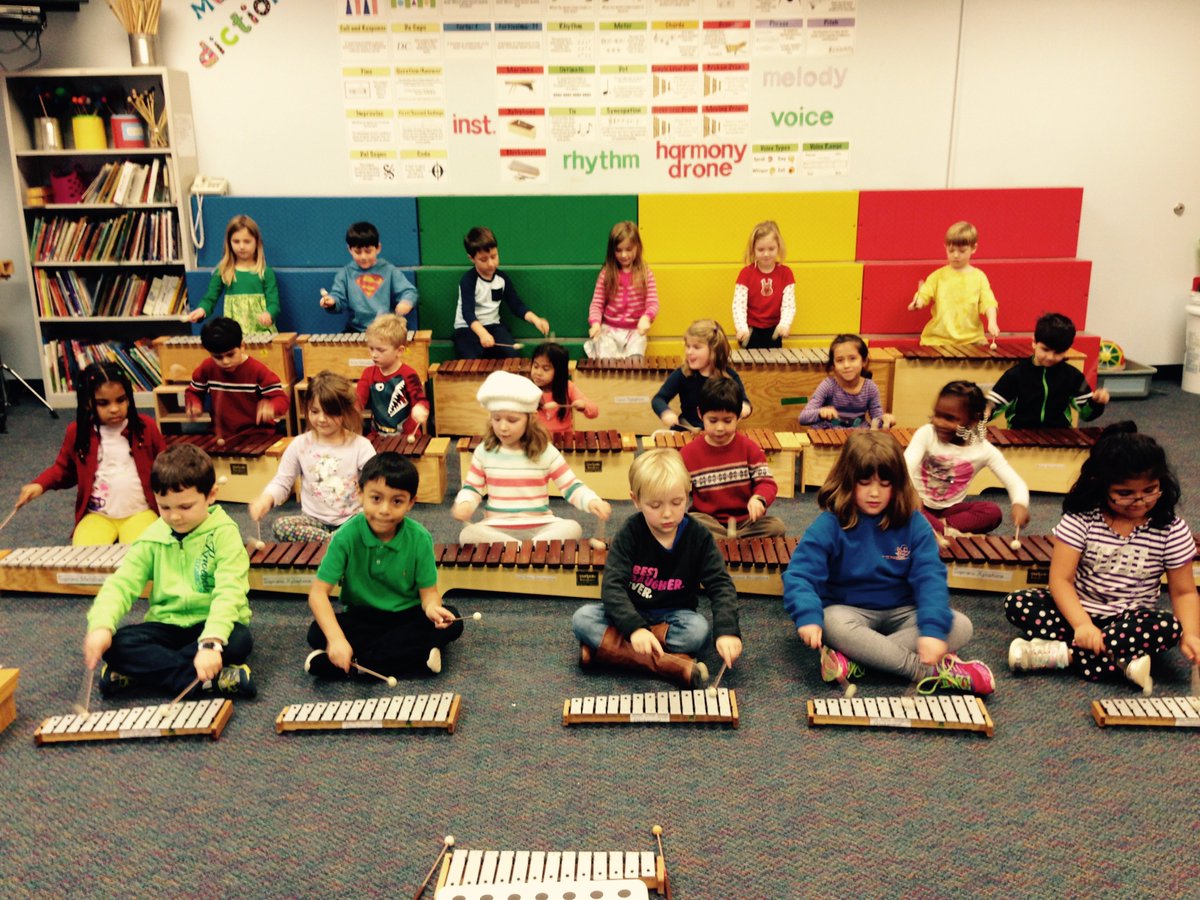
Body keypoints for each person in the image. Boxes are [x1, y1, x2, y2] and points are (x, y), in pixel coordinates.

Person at [783, 431, 994, 694]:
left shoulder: (914, 524)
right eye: (864, 483)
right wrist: (807, 616)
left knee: (959, 625)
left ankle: (859, 659)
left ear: (898, 484)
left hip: (904, 612)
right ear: (848, 481)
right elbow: (800, 575)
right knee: (829, 622)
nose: (875, 493)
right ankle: (926, 671)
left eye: (885, 484)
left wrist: (932, 630)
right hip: (849, 612)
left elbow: (930, 579)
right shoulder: (830, 524)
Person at [1004, 423, 1199, 693]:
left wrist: (1191, 634)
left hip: (1129, 620)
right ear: (1100, 485)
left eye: (1150, 490)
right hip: (1076, 612)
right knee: (1019, 602)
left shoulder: (1171, 529)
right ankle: (1120, 661)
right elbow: (1060, 580)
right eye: (1125, 493)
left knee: (1168, 627)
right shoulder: (1082, 519)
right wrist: (1083, 625)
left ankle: (1063, 655)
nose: (1140, 501)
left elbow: (1184, 592)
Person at [81, 443, 256, 699]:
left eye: (185, 507)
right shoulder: (152, 537)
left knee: (240, 639)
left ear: (211, 495)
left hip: (209, 624)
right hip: (165, 625)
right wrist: (101, 626)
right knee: (117, 644)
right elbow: (122, 584)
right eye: (165, 507)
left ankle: (143, 676)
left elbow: (230, 592)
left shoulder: (225, 535)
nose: (174, 517)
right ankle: (206, 681)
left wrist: (210, 642)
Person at [572, 448, 742, 688]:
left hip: (674, 617)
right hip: (631, 610)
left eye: (677, 502)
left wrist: (727, 631)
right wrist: (635, 629)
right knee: (582, 618)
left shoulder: (698, 536)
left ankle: (608, 653)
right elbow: (612, 587)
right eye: (654, 505)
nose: (667, 514)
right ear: (636, 500)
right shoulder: (630, 533)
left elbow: (721, 585)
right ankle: (672, 665)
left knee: (698, 632)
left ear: (688, 494)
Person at [305, 452, 464, 679]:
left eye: (397, 501)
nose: (384, 510)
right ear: (360, 494)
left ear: (411, 503)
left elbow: (429, 594)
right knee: (317, 632)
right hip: (362, 617)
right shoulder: (345, 537)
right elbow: (318, 594)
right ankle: (409, 660)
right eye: (376, 498)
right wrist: (336, 639)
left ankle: (356, 664)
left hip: (406, 616)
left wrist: (432, 610)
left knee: (453, 621)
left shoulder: (420, 538)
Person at [452, 370, 611, 543]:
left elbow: (571, 486)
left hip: (542, 525)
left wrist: (592, 501)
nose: (503, 427)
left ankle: (515, 548)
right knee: (467, 534)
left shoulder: (545, 451)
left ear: (531, 418)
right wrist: (465, 504)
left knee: (572, 527)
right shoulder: (484, 451)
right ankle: (526, 548)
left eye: (512, 420)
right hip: (496, 526)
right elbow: (472, 488)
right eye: (496, 419)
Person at [16, 361, 164, 546]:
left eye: (121, 400)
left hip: (141, 511)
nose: (114, 408)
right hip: (97, 515)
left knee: (142, 555)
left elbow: (165, 466)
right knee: (83, 558)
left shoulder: (145, 427)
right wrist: (40, 484)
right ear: (87, 403)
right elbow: (63, 469)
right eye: (103, 403)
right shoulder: (78, 432)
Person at [249, 371, 375, 543]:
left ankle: (333, 542)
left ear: (345, 412)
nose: (321, 419)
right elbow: (282, 481)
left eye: (330, 413)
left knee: (371, 523)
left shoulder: (361, 446)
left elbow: (376, 484)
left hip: (351, 520)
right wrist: (266, 499)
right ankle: (335, 542)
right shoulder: (300, 444)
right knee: (281, 526)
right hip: (313, 522)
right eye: (314, 411)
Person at [904, 380, 1030, 538]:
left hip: (949, 512)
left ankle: (937, 528)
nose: (939, 422)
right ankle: (943, 531)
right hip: (916, 504)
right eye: (937, 415)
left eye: (950, 418)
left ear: (974, 420)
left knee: (992, 512)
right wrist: (911, 495)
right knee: (900, 504)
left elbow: (1015, 482)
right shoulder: (927, 434)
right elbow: (904, 467)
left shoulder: (983, 450)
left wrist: (1020, 504)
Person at [680, 377, 785, 540]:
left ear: (738, 417)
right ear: (701, 414)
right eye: (713, 420)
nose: (720, 428)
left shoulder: (750, 448)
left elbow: (766, 482)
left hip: (745, 521)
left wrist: (758, 499)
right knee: (690, 523)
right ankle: (732, 542)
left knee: (776, 527)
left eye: (727, 421)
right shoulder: (688, 454)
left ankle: (725, 542)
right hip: (709, 521)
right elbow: (678, 489)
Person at [986, 312, 1110, 428]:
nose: (1050, 357)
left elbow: (1086, 415)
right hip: (1020, 433)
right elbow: (994, 403)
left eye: (1058, 352)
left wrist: (1096, 403)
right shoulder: (1016, 375)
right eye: (1045, 349)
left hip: (1060, 436)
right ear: (1034, 342)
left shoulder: (1074, 376)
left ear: (1068, 349)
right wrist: (986, 410)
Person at [453, 226, 550, 359]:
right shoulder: (468, 280)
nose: (491, 264)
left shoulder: (501, 279)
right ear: (471, 258)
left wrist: (535, 319)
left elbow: (516, 305)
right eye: (484, 259)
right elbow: (467, 313)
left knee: (513, 356)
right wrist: (482, 333)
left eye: (494, 256)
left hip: (493, 326)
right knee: (473, 360)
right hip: (468, 329)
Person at [185, 316, 290, 438]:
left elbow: (281, 399)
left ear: (242, 346)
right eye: (218, 357)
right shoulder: (207, 367)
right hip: (221, 435)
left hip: (257, 435)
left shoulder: (258, 371)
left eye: (230, 354)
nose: (225, 361)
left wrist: (272, 407)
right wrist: (194, 403)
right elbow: (193, 392)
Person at [907, 220, 999, 347]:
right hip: (939, 340)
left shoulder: (979, 277)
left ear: (974, 248)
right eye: (951, 250)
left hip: (972, 340)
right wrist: (918, 302)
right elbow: (924, 292)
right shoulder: (938, 276)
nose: (956, 255)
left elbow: (988, 302)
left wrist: (992, 322)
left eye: (962, 251)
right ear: (945, 247)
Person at [319, 220, 418, 333]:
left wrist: (406, 302)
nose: (363, 257)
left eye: (368, 251)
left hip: (385, 328)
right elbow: (338, 298)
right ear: (350, 250)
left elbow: (409, 291)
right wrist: (331, 302)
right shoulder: (345, 273)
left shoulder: (389, 270)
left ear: (378, 248)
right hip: (355, 329)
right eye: (358, 252)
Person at [652, 319, 750, 431]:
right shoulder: (683, 374)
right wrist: (666, 413)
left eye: (696, 347)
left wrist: (744, 408)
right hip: (688, 429)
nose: (689, 352)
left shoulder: (728, 376)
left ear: (714, 350)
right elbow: (659, 398)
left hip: (718, 431)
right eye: (688, 346)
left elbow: (745, 402)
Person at [188, 214, 279, 335]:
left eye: (247, 241)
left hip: (261, 333)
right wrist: (201, 310)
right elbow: (210, 298)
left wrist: (269, 314)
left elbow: (274, 304)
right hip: (233, 334)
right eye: (236, 241)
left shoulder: (265, 272)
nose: (241, 246)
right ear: (229, 242)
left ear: (256, 242)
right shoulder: (223, 271)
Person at [585, 220, 658, 360]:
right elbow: (597, 304)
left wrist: (646, 317)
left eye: (628, 249)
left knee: (634, 363)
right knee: (607, 364)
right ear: (612, 251)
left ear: (637, 247)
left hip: (635, 332)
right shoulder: (606, 274)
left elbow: (653, 302)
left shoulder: (645, 273)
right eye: (619, 250)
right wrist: (595, 323)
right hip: (609, 331)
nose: (624, 255)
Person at [798, 333, 895, 430]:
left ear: (864, 361)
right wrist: (820, 413)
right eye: (840, 360)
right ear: (833, 365)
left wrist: (885, 420)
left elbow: (877, 423)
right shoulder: (828, 386)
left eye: (852, 359)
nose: (846, 365)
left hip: (857, 435)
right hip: (829, 432)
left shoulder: (870, 388)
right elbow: (803, 417)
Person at [355, 313, 430, 437]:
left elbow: (420, 400)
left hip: (407, 436)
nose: (374, 354)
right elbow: (358, 401)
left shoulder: (409, 374)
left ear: (399, 351)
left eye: (380, 350)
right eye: (371, 348)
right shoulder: (368, 374)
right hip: (378, 435)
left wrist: (420, 408)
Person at [732, 220, 795, 350]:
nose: (766, 254)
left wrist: (785, 324)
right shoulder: (746, 274)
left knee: (774, 368)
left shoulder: (786, 273)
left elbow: (789, 304)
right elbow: (739, 305)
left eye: (771, 249)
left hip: (774, 331)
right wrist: (741, 328)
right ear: (753, 249)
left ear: (778, 247)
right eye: (761, 249)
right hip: (751, 331)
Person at [531, 341, 597, 436]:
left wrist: (584, 406)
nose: (538, 372)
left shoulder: (568, 387)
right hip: (537, 438)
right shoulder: (527, 388)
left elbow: (594, 412)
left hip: (564, 438)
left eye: (545, 369)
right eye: (535, 366)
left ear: (559, 371)